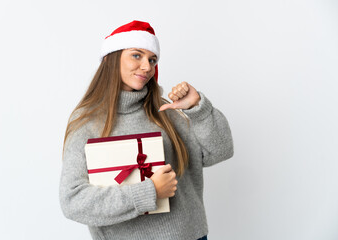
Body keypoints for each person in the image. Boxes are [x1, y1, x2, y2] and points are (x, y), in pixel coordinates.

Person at [59, 20, 234, 240]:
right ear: (111, 58)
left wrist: (197, 108)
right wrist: (149, 192)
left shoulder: (167, 111)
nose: (147, 67)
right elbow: (73, 201)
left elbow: (221, 151)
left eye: (152, 59)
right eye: (136, 55)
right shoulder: (88, 121)